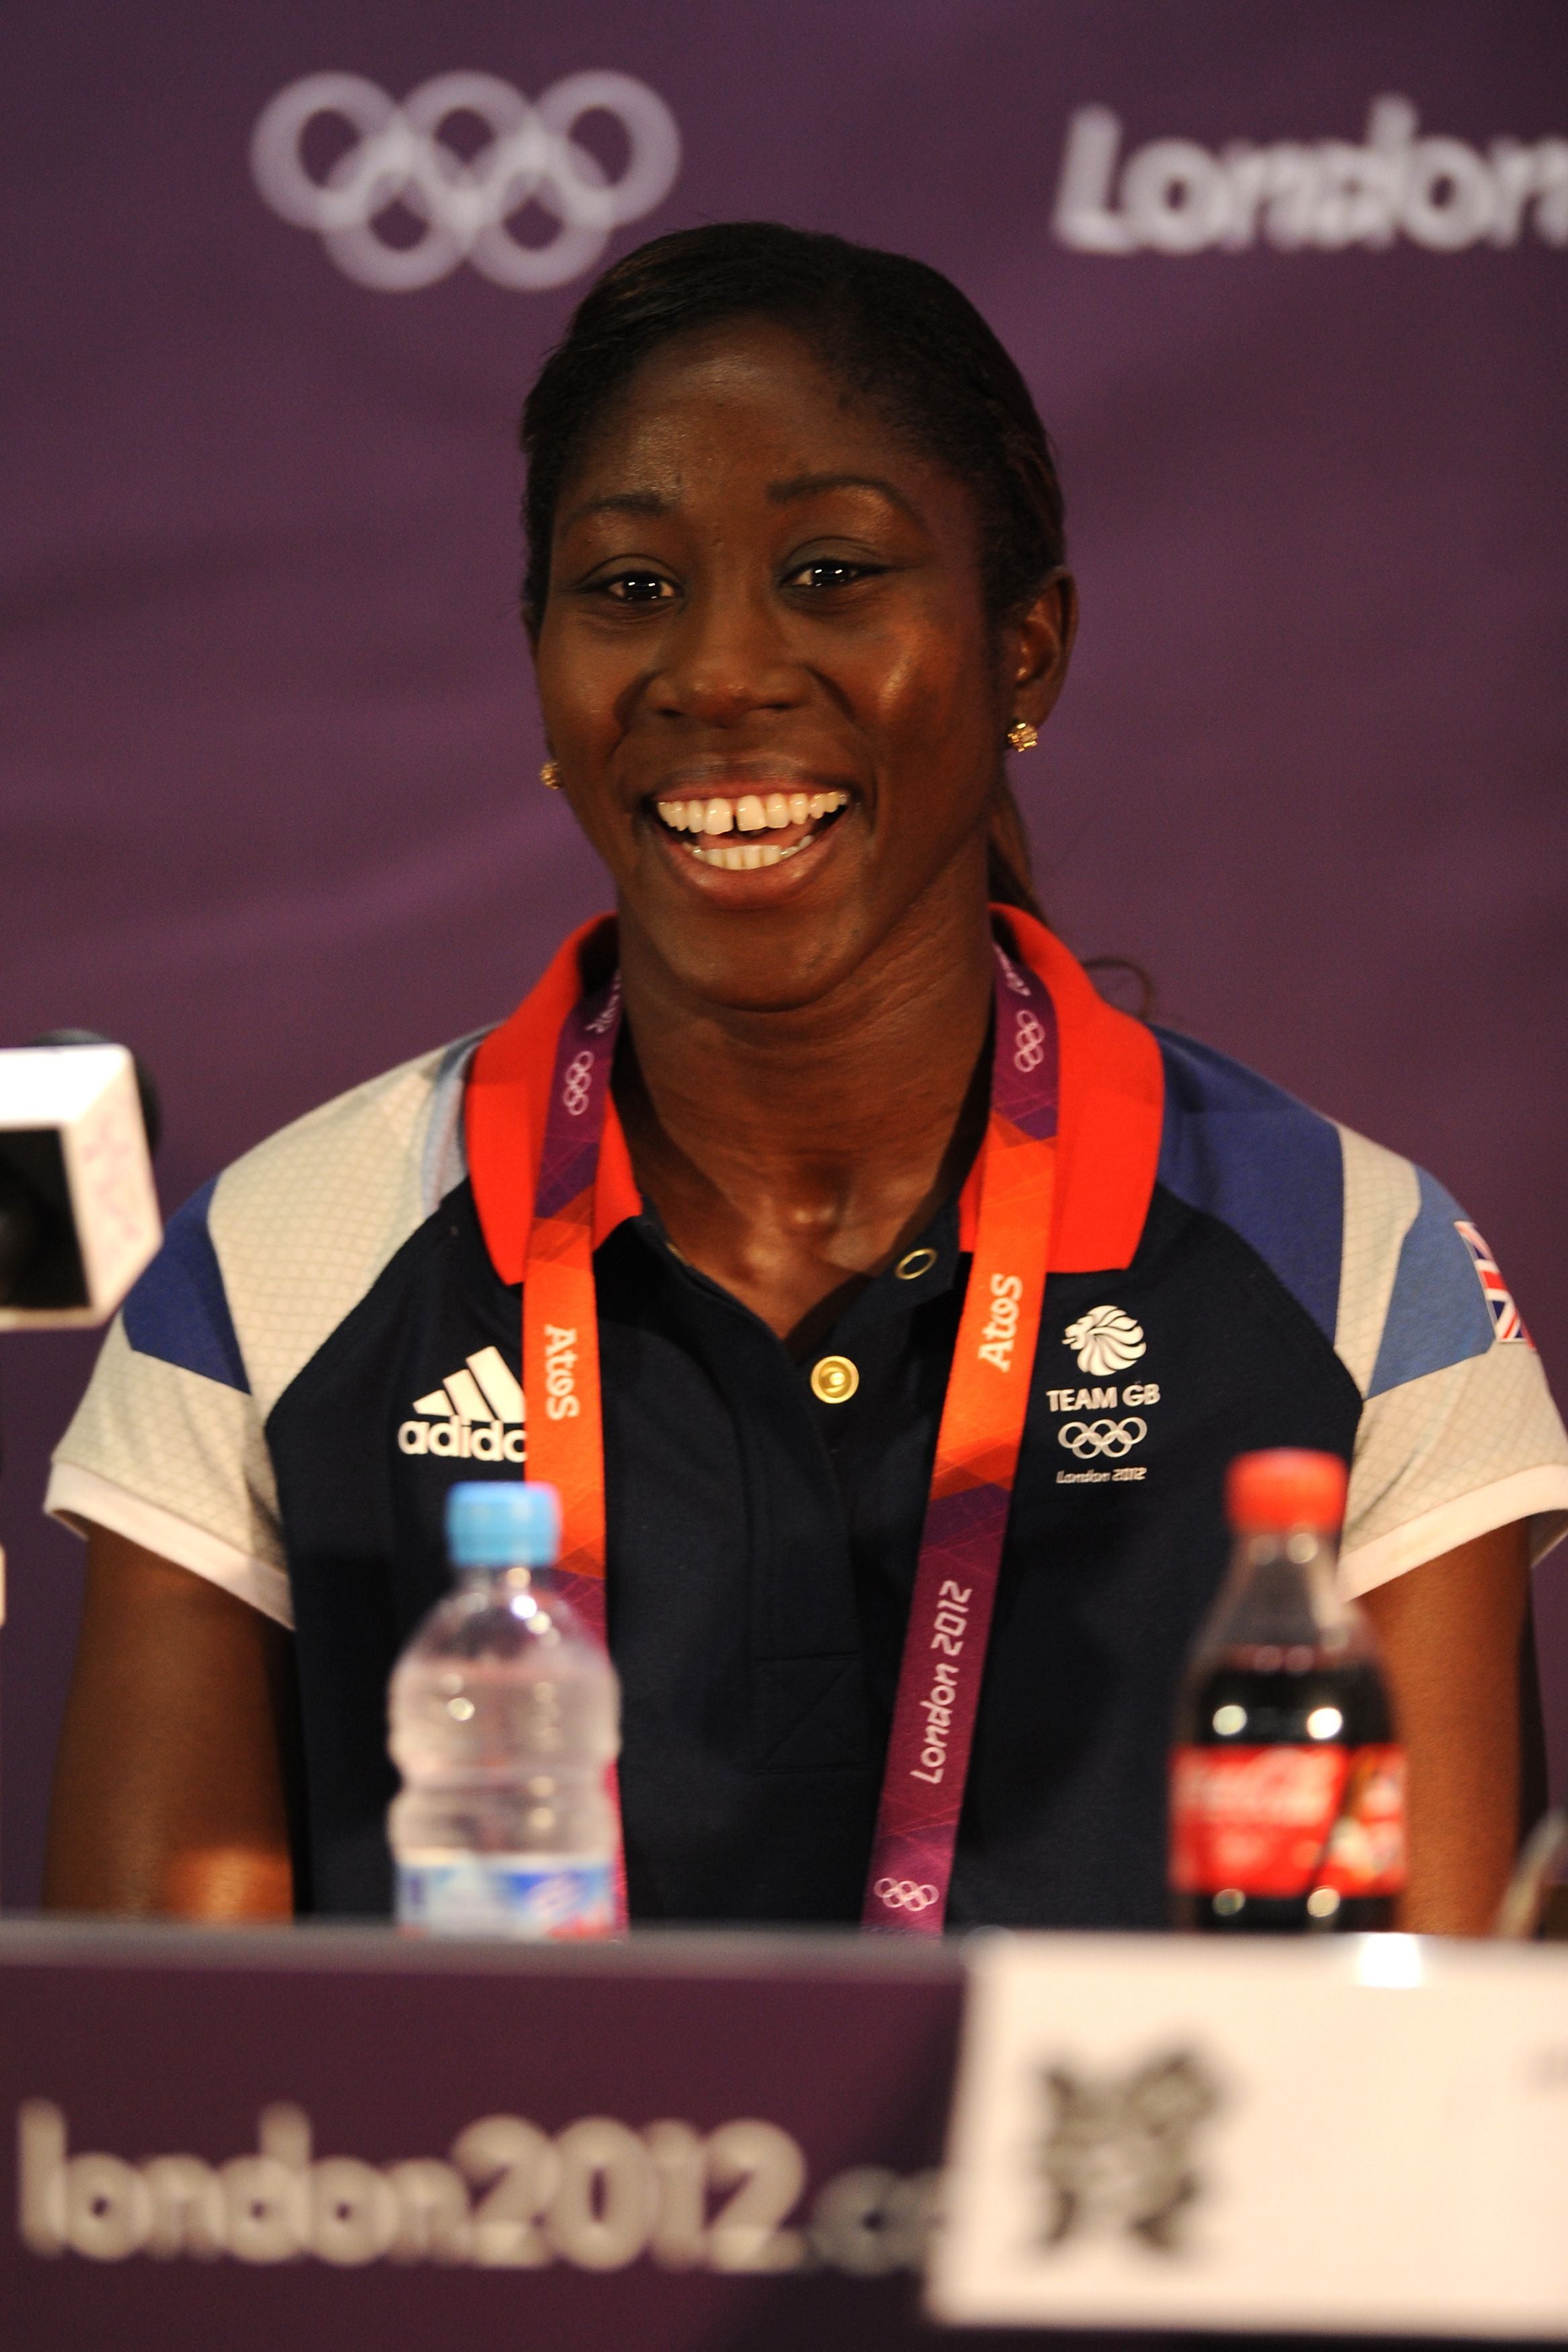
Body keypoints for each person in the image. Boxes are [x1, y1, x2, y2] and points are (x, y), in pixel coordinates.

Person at [42, 224, 1568, 1936]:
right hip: (497, 2206)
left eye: (833, 572)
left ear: (1027, 655)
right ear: (542, 665)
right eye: (629, 587)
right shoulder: (274, 1266)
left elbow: (1430, 2096)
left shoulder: (1365, 1270)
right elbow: (157, 2095)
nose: (717, 672)